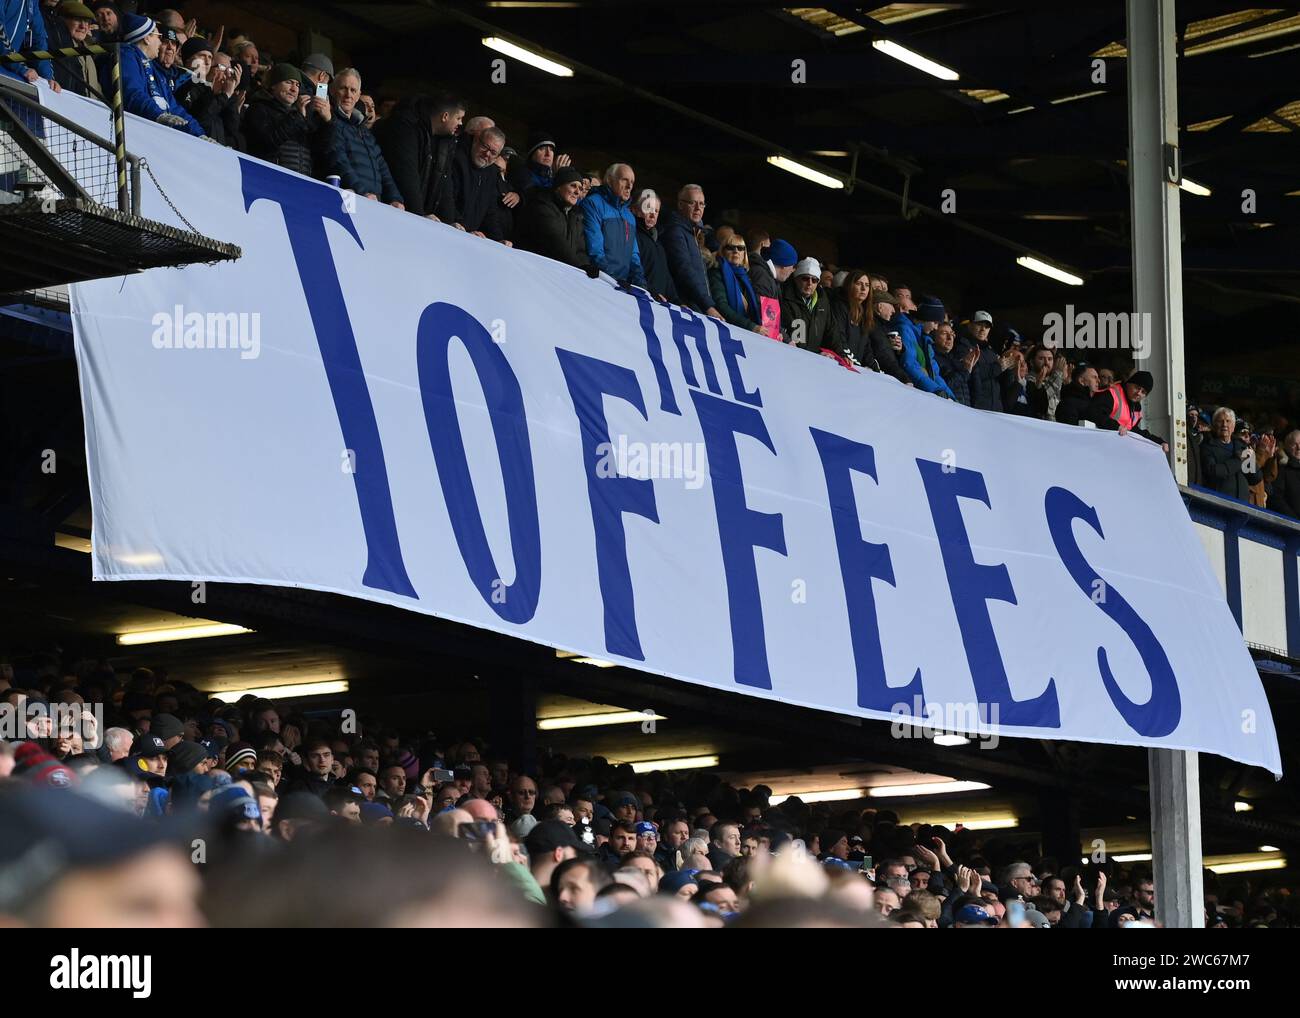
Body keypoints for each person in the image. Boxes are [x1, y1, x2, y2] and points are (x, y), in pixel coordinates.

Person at [373, 92, 465, 220]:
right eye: (458, 118)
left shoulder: (444, 142)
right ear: (445, 116)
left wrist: (450, 223)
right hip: (391, 210)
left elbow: (444, 186)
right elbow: (406, 174)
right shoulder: (405, 127)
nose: (460, 124)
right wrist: (418, 217)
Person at [107, 14, 203, 135]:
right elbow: (131, 93)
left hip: (154, 130)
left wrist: (199, 134)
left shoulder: (152, 68)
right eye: (159, 37)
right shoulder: (125, 56)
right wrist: (158, 115)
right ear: (147, 38)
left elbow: (174, 107)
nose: (159, 42)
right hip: (134, 131)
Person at [329, 67, 403, 208]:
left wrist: (395, 198)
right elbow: (339, 162)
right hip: (349, 202)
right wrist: (362, 193)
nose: (348, 95)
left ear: (358, 96)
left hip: (373, 202)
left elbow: (382, 168)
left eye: (353, 90)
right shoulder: (331, 123)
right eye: (343, 88)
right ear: (332, 91)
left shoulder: (364, 131)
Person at [244, 63, 334, 176]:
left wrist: (327, 121)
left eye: (297, 85)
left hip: (301, 183)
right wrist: (298, 117)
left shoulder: (301, 114)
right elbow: (267, 142)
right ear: (273, 85)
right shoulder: (258, 108)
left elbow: (321, 152)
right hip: (270, 178)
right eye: (288, 82)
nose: (294, 89)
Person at [659, 184, 721, 316]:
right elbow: (683, 270)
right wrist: (708, 306)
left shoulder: (693, 233)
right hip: (685, 308)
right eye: (693, 203)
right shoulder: (675, 231)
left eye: (702, 204)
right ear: (681, 205)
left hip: (698, 306)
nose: (698, 208)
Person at [579, 163, 645, 286]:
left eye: (632, 182)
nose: (629, 186)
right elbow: (595, 250)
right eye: (624, 180)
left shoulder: (629, 216)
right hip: (600, 282)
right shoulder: (593, 204)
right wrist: (613, 280)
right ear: (609, 180)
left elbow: (634, 256)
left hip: (621, 286)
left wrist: (641, 284)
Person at [513, 166, 590, 269]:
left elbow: (580, 250)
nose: (577, 192)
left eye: (580, 188)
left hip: (561, 269)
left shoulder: (575, 215)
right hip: (532, 268)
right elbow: (557, 244)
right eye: (573, 186)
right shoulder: (541, 205)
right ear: (559, 187)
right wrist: (580, 267)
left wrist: (586, 266)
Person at [451, 125, 510, 240]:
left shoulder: (492, 173)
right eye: (485, 146)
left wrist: (498, 241)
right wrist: (461, 226)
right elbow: (448, 198)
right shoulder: (458, 159)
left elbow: (490, 212)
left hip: (468, 236)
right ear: (476, 141)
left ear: (497, 156)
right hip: (449, 228)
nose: (487, 154)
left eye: (493, 152)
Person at [1086, 370, 1168, 449]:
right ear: (1129, 383)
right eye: (1137, 387)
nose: (1138, 393)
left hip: (1115, 447)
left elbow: (1134, 431)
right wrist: (1116, 427)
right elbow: (1093, 413)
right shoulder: (1112, 394)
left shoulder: (1135, 408)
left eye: (1143, 392)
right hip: (1099, 445)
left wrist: (1159, 442)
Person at [1200, 406, 1260, 501]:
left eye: (1228, 421)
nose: (1224, 424)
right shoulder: (1207, 446)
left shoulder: (1241, 446)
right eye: (1220, 421)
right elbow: (1213, 472)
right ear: (1214, 425)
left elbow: (1255, 479)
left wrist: (1251, 460)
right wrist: (1238, 460)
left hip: (1243, 504)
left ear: (1233, 426)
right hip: (1219, 503)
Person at [707, 235, 764, 333]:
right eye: (730, 247)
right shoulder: (716, 272)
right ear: (723, 251)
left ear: (744, 253)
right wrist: (751, 326)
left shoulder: (746, 278)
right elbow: (721, 306)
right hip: (725, 330)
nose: (736, 251)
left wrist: (772, 329)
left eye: (740, 248)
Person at [49, 2, 103, 99]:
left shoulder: (89, 52)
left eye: (87, 22)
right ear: (62, 20)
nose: (83, 26)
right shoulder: (61, 50)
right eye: (78, 19)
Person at [631, 188, 677, 302]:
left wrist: (677, 301)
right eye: (648, 208)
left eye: (656, 211)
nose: (653, 215)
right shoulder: (632, 235)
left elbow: (666, 277)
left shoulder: (659, 244)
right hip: (640, 299)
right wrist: (652, 292)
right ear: (635, 210)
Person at [779, 257, 829, 352]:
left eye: (814, 280)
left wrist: (841, 354)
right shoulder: (784, 296)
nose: (809, 283)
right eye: (805, 278)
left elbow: (831, 331)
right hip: (788, 352)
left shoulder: (823, 302)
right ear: (796, 279)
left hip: (809, 357)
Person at [962, 310, 1002, 412]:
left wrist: (1010, 370)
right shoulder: (963, 346)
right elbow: (971, 375)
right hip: (974, 409)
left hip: (995, 410)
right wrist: (998, 367)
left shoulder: (991, 351)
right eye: (979, 324)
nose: (983, 329)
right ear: (970, 325)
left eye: (987, 327)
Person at [1268, 430, 1300, 518]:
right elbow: (1276, 498)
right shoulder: (1281, 468)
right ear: (1287, 446)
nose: (1299, 448)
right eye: (1294, 444)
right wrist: (1294, 521)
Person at [1055, 362, 1099, 427]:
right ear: (1082, 381)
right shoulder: (1068, 404)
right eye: (1094, 377)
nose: (1098, 381)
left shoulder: (1095, 404)